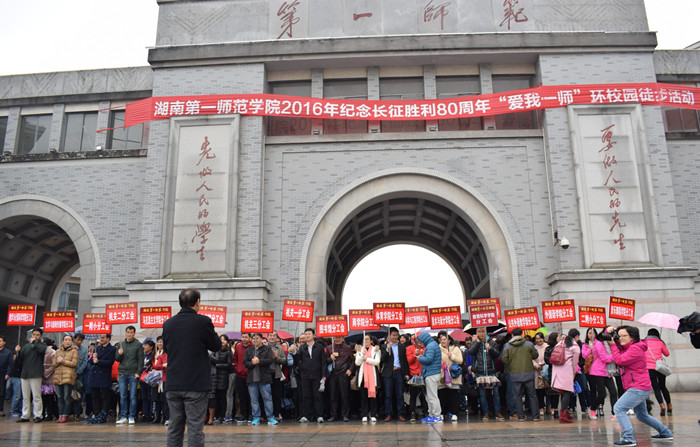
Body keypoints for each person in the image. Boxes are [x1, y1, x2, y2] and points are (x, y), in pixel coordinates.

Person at [162, 288, 221, 447]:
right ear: (197, 302)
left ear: (180, 303)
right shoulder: (203, 321)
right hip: (195, 383)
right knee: (195, 426)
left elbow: (167, 349)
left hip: (173, 382)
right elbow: (216, 346)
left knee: (174, 426)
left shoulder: (168, 324)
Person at [611, 326, 673, 446]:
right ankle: (665, 432)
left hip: (638, 388)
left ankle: (628, 438)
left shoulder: (635, 349)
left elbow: (620, 360)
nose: (620, 338)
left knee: (619, 408)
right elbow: (620, 350)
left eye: (624, 336)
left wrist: (613, 345)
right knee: (642, 415)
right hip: (639, 387)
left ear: (632, 337)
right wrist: (610, 334)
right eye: (619, 336)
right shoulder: (630, 347)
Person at [503, 327, 540, 422]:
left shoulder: (507, 346)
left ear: (512, 335)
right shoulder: (529, 344)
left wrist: (512, 365)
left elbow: (504, 360)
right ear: (522, 334)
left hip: (515, 375)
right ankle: (536, 416)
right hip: (528, 374)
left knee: (517, 396)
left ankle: (520, 416)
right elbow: (535, 355)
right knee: (532, 395)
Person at [289, 328, 326, 423]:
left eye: (309, 334)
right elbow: (297, 360)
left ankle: (319, 415)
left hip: (317, 375)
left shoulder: (319, 347)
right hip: (305, 375)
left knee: (318, 396)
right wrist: (294, 353)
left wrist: (323, 375)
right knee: (306, 396)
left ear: (314, 335)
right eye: (306, 334)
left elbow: (323, 362)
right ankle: (306, 415)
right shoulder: (302, 348)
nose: (307, 336)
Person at [468, 327, 503, 421]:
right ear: (476, 333)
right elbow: (470, 352)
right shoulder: (474, 343)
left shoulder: (492, 342)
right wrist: (477, 343)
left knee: (495, 393)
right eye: (479, 332)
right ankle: (485, 412)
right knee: (482, 394)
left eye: (483, 331)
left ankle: (497, 412)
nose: (481, 333)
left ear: (486, 332)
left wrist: (490, 348)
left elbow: (497, 354)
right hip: (480, 371)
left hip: (491, 371)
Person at [243, 333, 278, 425]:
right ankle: (256, 417)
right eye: (253, 338)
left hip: (264, 378)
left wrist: (259, 361)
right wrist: (252, 363)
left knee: (267, 398)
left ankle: (270, 417)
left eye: (257, 338)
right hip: (252, 379)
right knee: (254, 400)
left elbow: (270, 360)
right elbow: (245, 363)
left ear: (262, 339)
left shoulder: (267, 349)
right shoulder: (249, 350)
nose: (255, 340)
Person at [16, 328, 47, 423]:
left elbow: (42, 351)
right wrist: (18, 352)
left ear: (40, 336)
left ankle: (38, 415)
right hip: (25, 374)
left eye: (37, 335)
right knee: (25, 397)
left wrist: (35, 343)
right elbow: (21, 359)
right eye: (34, 334)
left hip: (36, 374)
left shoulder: (42, 345)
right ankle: (25, 415)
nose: (35, 336)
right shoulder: (26, 346)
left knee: (36, 396)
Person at [587, 329, 619, 421]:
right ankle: (592, 408)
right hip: (598, 372)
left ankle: (614, 413)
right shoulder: (599, 344)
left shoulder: (610, 344)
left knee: (613, 392)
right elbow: (605, 358)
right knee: (602, 394)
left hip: (608, 372)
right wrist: (616, 355)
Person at [114, 325, 144, 424]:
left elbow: (141, 360)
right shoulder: (121, 344)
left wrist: (138, 372)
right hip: (122, 373)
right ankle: (123, 416)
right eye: (128, 332)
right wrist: (120, 354)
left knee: (133, 396)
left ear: (134, 333)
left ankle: (131, 416)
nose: (129, 334)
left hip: (133, 373)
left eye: (131, 333)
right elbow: (117, 359)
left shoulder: (138, 345)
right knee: (123, 395)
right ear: (125, 333)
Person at [550, 329, 580, 424]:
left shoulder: (560, 342)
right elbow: (575, 363)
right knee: (567, 391)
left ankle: (565, 413)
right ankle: (562, 416)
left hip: (557, 368)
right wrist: (574, 373)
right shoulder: (575, 346)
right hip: (566, 369)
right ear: (576, 337)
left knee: (563, 391)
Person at [379, 326, 409, 422]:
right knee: (388, 394)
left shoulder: (402, 347)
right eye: (393, 335)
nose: (395, 337)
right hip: (388, 373)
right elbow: (383, 360)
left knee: (400, 394)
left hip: (399, 372)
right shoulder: (384, 346)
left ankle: (400, 414)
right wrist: (387, 350)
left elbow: (404, 361)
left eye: (397, 335)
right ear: (389, 336)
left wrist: (406, 373)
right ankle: (388, 413)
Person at [87, 333, 116, 424]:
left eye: (103, 337)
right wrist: (93, 359)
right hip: (95, 375)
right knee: (94, 395)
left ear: (108, 338)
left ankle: (103, 414)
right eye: (101, 337)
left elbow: (110, 362)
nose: (101, 339)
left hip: (104, 374)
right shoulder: (97, 348)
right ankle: (96, 413)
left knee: (105, 396)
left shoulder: (112, 349)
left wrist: (98, 361)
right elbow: (90, 361)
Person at [325, 335, 355, 422]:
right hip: (333, 374)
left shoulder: (347, 348)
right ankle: (333, 415)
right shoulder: (329, 348)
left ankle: (345, 415)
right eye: (336, 337)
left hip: (343, 374)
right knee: (333, 395)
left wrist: (350, 369)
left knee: (344, 395)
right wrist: (330, 358)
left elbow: (352, 360)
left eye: (339, 337)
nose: (337, 339)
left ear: (342, 338)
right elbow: (325, 361)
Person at [644, 329, 672, 416]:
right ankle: (669, 405)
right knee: (663, 387)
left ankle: (662, 405)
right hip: (660, 368)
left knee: (656, 388)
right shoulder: (660, 342)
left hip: (650, 368)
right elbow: (667, 354)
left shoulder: (644, 342)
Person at [52, 334, 78, 423]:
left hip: (68, 377)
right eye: (66, 340)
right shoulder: (58, 351)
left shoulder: (74, 351)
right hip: (58, 377)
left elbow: (74, 363)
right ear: (63, 341)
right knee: (59, 397)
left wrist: (64, 361)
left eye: (69, 340)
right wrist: (57, 361)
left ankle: (65, 414)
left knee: (67, 397)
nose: (67, 341)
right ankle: (60, 414)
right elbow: (53, 364)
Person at [417, 332, 442, 423]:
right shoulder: (433, 344)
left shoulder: (430, 346)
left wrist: (419, 358)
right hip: (433, 373)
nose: (420, 343)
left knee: (432, 397)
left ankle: (437, 416)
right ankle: (431, 415)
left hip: (431, 374)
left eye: (421, 341)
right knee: (430, 397)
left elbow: (428, 360)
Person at [437, 333, 463, 422]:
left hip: (453, 376)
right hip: (442, 376)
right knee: (442, 396)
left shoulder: (455, 349)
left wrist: (451, 356)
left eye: (445, 339)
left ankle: (455, 413)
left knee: (454, 395)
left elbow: (460, 360)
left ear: (449, 340)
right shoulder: (438, 349)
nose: (443, 341)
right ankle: (442, 413)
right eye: (441, 339)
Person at [208, 334, 233, 424]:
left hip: (223, 376)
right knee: (215, 397)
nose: (222, 341)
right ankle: (216, 415)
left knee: (222, 397)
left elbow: (229, 364)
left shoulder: (228, 351)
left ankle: (222, 416)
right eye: (221, 339)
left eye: (224, 339)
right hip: (214, 376)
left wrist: (218, 365)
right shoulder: (215, 350)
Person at [355, 335, 381, 423]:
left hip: (372, 375)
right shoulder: (360, 350)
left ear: (371, 341)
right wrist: (362, 354)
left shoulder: (376, 350)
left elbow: (377, 362)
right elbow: (357, 362)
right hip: (363, 376)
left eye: (367, 339)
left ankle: (373, 414)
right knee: (363, 396)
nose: (365, 341)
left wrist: (367, 359)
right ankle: (364, 414)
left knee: (373, 396)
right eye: (364, 339)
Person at [405, 334, 428, 421]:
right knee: (413, 395)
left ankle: (426, 411)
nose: (419, 342)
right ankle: (412, 413)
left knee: (424, 395)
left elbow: (428, 360)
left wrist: (423, 356)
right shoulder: (410, 348)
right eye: (417, 340)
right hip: (413, 374)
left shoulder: (426, 348)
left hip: (423, 373)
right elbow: (409, 361)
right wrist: (414, 355)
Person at [267, 331, 287, 420]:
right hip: (266, 374)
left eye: (274, 336)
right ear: (267, 337)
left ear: (276, 338)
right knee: (266, 395)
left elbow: (284, 361)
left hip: (276, 374)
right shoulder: (264, 347)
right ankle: (266, 414)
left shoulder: (280, 348)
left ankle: (276, 414)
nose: (272, 337)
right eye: (270, 335)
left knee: (276, 395)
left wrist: (276, 358)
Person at [233, 332, 252, 423]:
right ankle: (243, 415)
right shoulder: (238, 347)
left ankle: (251, 414)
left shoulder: (253, 347)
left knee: (250, 396)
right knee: (241, 396)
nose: (244, 339)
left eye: (246, 337)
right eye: (243, 337)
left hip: (250, 375)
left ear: (250, 338)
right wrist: (237, 368)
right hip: (239, 375)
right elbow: (235, 359)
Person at [152, 335, 170, 425]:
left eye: (161, 342)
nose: (160, 343)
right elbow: (156, 366)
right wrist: (164, 365)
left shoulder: (172, 354)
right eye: (158, 342)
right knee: (164, 399)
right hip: (163, 378)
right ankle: (166, 417)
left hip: (173, 378)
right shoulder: (161, 355)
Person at [71, 333, 88, 420]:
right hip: (69, 375)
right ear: (74, 339)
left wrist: (78, 372)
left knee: (78, 395)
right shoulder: (69, 348)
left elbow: (85, 362)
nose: (79, 342)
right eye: (78, 340)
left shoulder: (84, 350)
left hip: (79, 376)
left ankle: (77, 413)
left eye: (81, 340)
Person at [532, 332, 549, 415]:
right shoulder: (533, 348)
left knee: (548, 389)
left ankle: (549, 407)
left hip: (546, 369)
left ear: (543, 338)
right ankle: (541, 407)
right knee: (539, 390)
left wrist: (544, 364)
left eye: (540, 338)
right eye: (537, 339)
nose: (538, 340)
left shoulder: (547, 346)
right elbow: (531, 359)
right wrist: (537, 365)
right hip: (537, 370)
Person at [140, 339, 155, 422]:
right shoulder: (142, 356)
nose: (145, 347)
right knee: (144, 397)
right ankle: (145, 413)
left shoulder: (153, 356)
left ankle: (151, 413)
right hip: (142, 379)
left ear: (151, 347)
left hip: (150, 379)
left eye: (146, 345)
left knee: (150, 397)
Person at [0, 336, 12, 417]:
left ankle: (1, 409)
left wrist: (8, 373)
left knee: (1, 393)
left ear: (4, 342)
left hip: (2, 374)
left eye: (0, 341)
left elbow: (10, 364)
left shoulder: (8, 352)